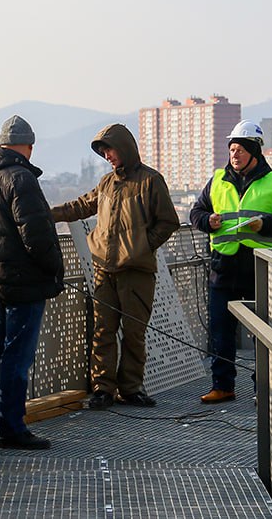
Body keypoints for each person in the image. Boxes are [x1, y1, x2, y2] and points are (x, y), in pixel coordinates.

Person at [51, 124, 179, 409]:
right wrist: (47, 215)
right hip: (104, 270)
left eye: (109, 149)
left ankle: (131, 389)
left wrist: (142, 246)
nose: (107, 155)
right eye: (103, 151)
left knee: (134, 333)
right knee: (103, 331)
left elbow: (168, 222)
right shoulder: (107, 183)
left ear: (125, 148)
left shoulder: (150, 181)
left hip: (137, 272)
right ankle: (103, 389)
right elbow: (82, 206)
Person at [189, 120, 272, 403]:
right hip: (222, 269)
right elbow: (196, 212)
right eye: (231, 149)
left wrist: (265, 225)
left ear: (254, 152)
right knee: (220, 331)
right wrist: (207, 221)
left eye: (239, 149)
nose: (234, 154)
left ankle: (263, 389)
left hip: (258, 269)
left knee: (262, 334)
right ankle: (222, 386)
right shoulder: (217, 181)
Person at [0, 115, 65, 450]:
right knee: (17, 357)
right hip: (25, 282)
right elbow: (37, 235)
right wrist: (55, 270)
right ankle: (13, 428)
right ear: (28, 146)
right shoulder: (20, 178)